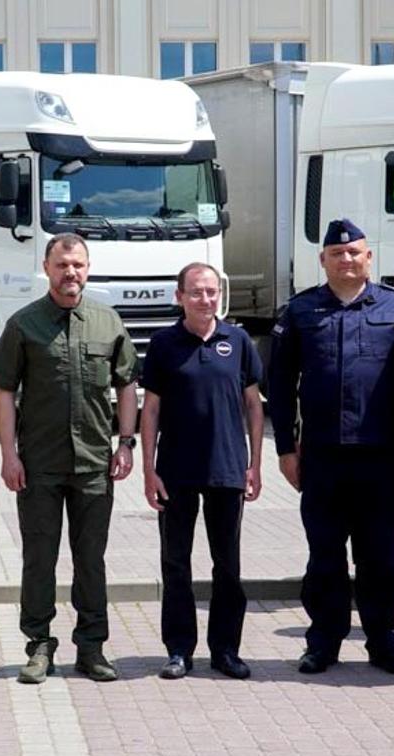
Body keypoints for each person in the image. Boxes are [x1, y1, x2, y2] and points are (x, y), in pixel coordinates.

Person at [0, 233, 139, 684]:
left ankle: (91, 648)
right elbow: (3, 391)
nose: (70, 272)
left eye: (78, 265)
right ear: (47, 269)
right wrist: (8, 455)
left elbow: (127, 384)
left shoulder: (107, 321)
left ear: (87, 269)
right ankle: (38, 646)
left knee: (91, 559)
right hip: (40, 465)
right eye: (62, 265)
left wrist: (125, 443)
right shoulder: (24, 324)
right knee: (39, 558)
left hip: (94, 464)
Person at [267, 218, 394, 676]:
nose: (346, 259)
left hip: (380, 457)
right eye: (337, 253)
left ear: (369, 257)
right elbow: (280, 383)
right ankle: (323, 642)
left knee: (381, 557)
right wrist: (286, 448)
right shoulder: (301, 311)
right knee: (325, 556)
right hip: (323, 456)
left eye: (354, 253)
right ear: (323, 260)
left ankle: (384, 642)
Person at [140, 263, 264, 681]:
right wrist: (148, 470)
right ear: (180, 297)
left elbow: (253, 405)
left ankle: (226, 650)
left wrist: (255, 464)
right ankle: (179, 650)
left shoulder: (238, 341)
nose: (205, 299)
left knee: (227, 566)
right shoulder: (163, 344)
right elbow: (150, 410)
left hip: (227, 469)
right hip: (175, 471)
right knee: (176, 565)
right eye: (196, 292)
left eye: (212, 292)